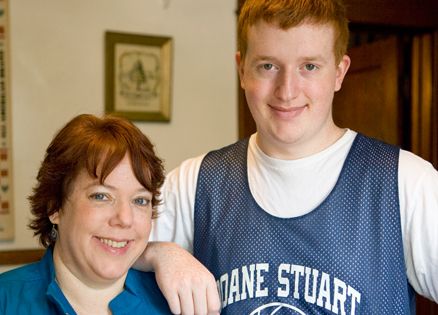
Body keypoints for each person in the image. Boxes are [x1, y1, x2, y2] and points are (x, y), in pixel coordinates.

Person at [137, 0, 438, 314]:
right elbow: (94, 249)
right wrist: (159, 254)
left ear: (339, 72)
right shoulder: (195, 183)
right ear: (242, 69)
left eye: (309, 66)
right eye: (268, 66)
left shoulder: (405, 183)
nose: (287, 91)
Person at [0, 114, 172, 314]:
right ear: (54, 207)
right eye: (101, 196)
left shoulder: (173, 304)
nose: (124, 218)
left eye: (140, 200)